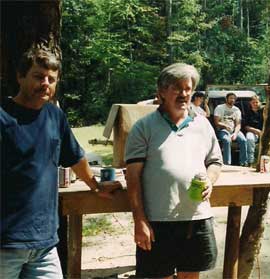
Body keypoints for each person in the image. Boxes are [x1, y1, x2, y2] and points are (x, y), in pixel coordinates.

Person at [0, 46, 121, 278]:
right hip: (5, 242)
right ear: (20, 76)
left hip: (44, 243)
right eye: (38, 76)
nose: (46, 83)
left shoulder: (55, 116)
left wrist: (95, 186)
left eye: (51, 79)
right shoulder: (3, 116)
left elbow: (75, 157)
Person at [124, 63, 222, 279]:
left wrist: (210, 180)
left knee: (190, 276)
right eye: (177, 88)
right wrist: (139, 220)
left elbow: (215, 162)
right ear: (161, 92)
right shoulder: (144, 127)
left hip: (196, 217)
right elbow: (132, 178)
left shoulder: (203, 124)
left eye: (187, 88)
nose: (184, 94)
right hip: (158, 221)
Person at [213, 92, 248, 166]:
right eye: (231, 98)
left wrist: (235, 133)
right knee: (227, 140)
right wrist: (225, 126)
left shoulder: (237, 110)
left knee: (243, 140)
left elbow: (238, 124)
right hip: (222, 130)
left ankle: (243, 162)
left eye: (234, 98)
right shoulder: (220, 107)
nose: (232, 100)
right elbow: (216, 122)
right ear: (226, 99)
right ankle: (227, 163)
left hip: (234, 130)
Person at [244, 95, 263, 165]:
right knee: (249, 139)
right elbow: (246, 126)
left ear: (260, 102)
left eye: (256, 102)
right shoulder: (247, 112)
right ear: (250, 103)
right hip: (252, 131)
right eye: (253, 102)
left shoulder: (263, 111)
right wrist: (256, 131)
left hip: (263, 131)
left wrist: (262, 132)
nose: (255, 104)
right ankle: (250, 161)